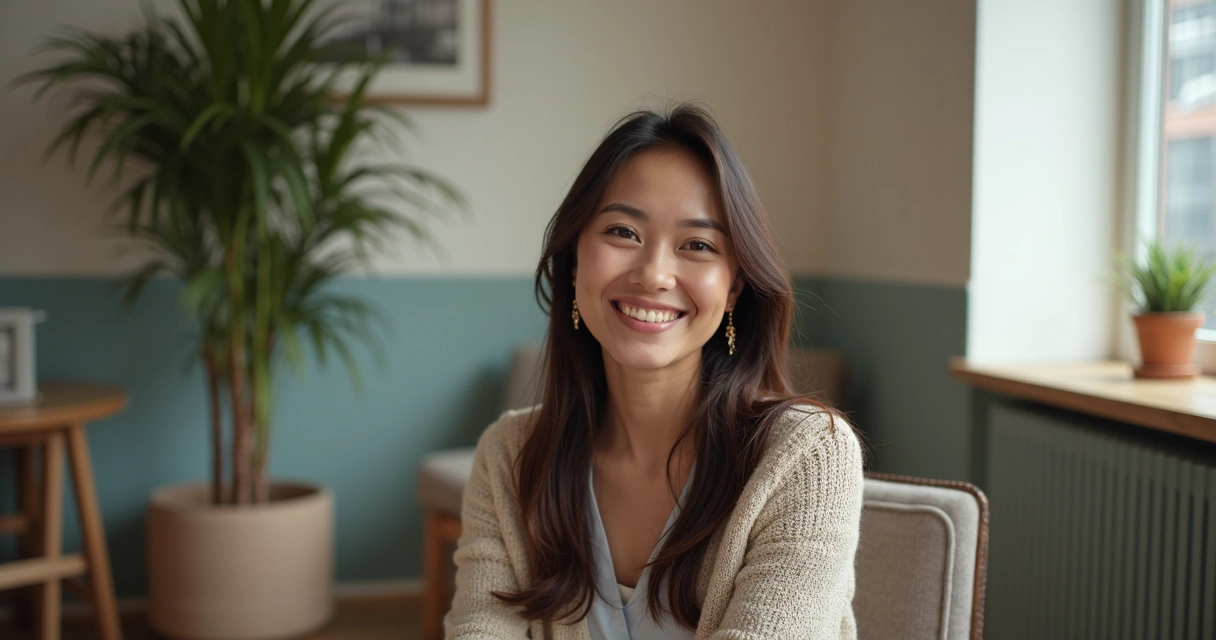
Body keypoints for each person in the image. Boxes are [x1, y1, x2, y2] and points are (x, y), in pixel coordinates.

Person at [445, 103, 866, 639]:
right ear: (575, 260)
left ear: (734, 284)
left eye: (698, 245)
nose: (654, 274)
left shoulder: (807, 456)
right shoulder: (508, 457)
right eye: (623, 232)